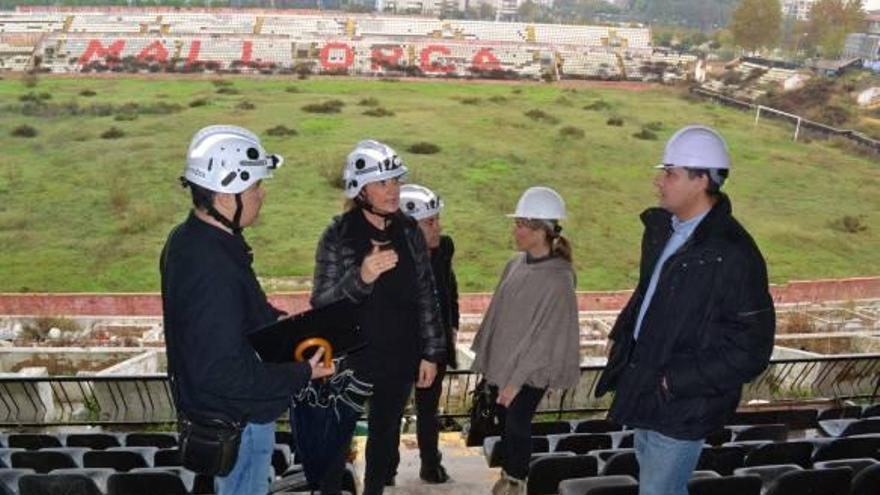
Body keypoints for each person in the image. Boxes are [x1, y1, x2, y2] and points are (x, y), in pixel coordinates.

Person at [594, 125, 776, 495]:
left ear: (701, 181)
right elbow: (647, 292)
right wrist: (621, 335)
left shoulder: (734, 254)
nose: (659, 182)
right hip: (646, 386)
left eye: (670, 173)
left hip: (681, 404)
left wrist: (675, 380)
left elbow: (752, 348)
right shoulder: (666, 231)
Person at [161, 125, 335, 495]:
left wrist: (280, 323)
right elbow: (222, 372)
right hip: (237, 424)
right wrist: (302, 372)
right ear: (227, 193)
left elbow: (237, 314)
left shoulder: (194, 239)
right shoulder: (211, 265)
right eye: (255, 186)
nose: (262, 195)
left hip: (222, 417)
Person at [311, 140, 445, 495]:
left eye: (396, 182)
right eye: (383, 183)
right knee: (336, 441)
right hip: (350, 360)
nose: (393, 190)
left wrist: (431, 352)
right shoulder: (337, 235)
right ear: (361, 189)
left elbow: (426, 295)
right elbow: (321, 303)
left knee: (384, 441)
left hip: (399, 358)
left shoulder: (410, 232)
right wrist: (361, 278)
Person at [471, 186, 581, 495]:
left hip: (532, 370)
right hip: (507, 362)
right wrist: (489, 361)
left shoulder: (559, 280)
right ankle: (508, 475)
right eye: (517, 223)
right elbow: (498, 316)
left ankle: (516, 482)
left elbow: (546, 340)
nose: (516, 230)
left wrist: (515, 382)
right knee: (506, 420)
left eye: (522, 224)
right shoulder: (514, 264)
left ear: (541, 231)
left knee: (517, 422)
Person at [398, 184, 460, 484]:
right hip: (401, 348)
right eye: (430, 221)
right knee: (389, 411)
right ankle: (385, 467)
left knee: (428, 412)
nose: (438, 227)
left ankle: (430, 464)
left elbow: (450, 290)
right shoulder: (391, 258)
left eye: (437, 219)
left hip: (434, 348)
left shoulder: (443, 250)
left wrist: (454, 325)